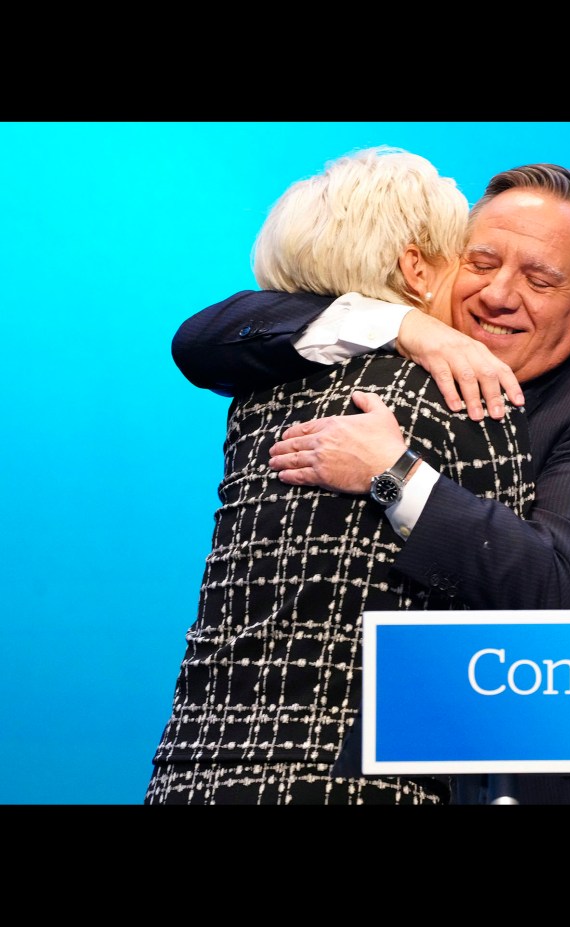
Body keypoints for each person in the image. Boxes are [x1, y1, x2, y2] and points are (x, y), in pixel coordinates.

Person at [172, 162, 570, 805]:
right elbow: (203, 339)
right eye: (481, 262)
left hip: (530, 766)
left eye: (539, 280)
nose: (498, 294)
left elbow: (568, 594)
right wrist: (403, 325)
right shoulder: (391, 351)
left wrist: (395, 475)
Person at [145, 146, 535, 805]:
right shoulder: (464, 392)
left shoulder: (254, 396)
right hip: (359, 779)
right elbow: (519, 601)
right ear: (416, 267)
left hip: (196, 766)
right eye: (468, 261)